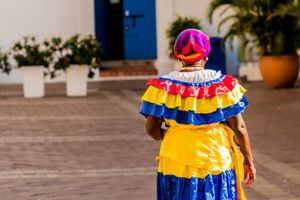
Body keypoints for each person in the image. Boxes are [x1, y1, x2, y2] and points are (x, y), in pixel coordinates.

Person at [139, 29, 256, 200]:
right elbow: (239, 127)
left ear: (178, 57)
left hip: (175, 160)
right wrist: (249, 161)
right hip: (215, 160)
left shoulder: (162, 88)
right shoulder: (223, 85)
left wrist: (172, 134)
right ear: (206, 56)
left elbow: (152, 130)